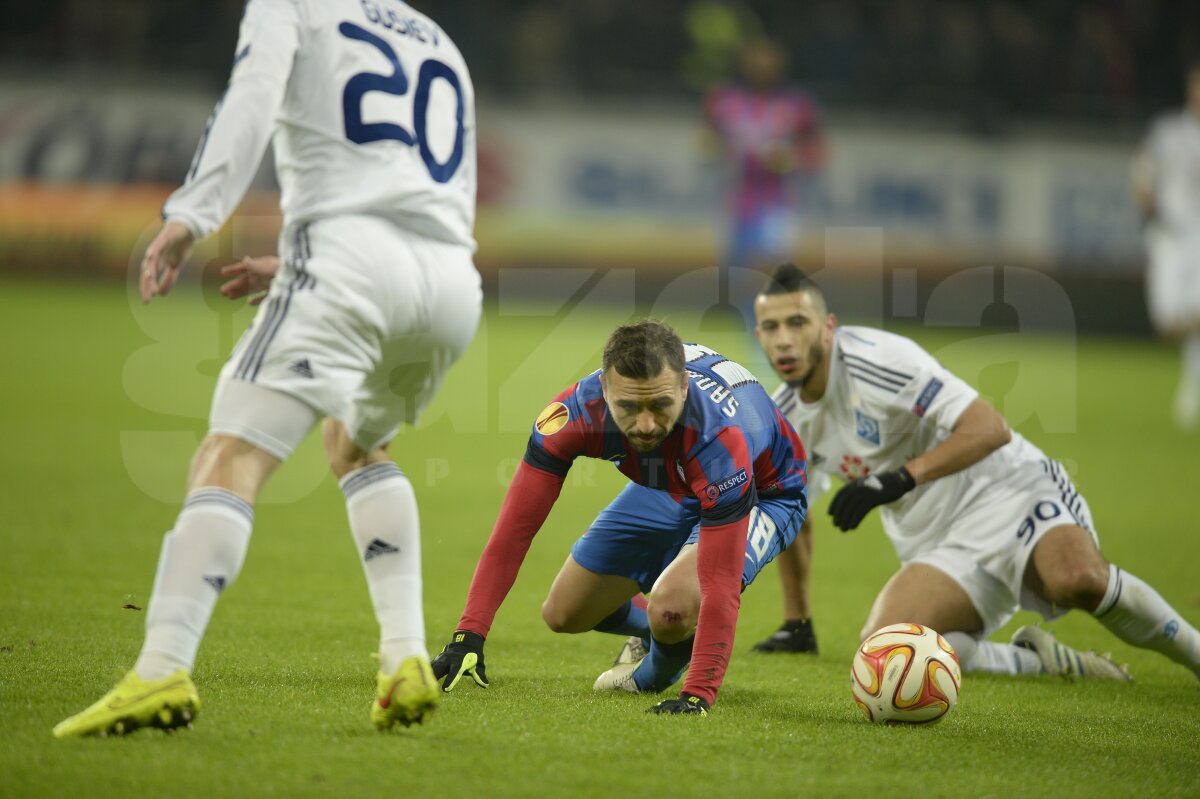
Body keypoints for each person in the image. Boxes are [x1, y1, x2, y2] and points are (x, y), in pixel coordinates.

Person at [54, 0, 481, 737]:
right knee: (356, 444)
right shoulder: (436, 40)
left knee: (232, 452)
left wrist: (193, 212)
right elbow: (419, 197)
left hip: (348, 260)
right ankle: (406, 656)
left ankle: (160, 668)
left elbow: (249, 98)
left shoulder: (292, 6)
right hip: (448, 285)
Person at [753, 263, 1200, 681]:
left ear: (828, 327)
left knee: (1077, 580)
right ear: (759, 335)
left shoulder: (878, 361)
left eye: (798, 323)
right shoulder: (784, 419)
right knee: (885, 651)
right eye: (771, 328)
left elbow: (990, 428)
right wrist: (797, 621)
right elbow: (793, 510)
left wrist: (899, 479)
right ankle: (1034, 661)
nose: (784, 340)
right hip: (937, 542)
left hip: (1006, 489)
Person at [428, 320, 809, 716]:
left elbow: (721, 584)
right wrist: (468, 634)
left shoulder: (719, 438)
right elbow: (514, 531)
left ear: (684, 389)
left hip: (763, 493)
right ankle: (658, 631)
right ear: (605, 391)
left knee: (673, 607)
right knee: (564, 613)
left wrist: (697, 695)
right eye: (628, 407)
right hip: (673, 483)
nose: (645, 425)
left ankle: (651, 672)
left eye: (660, 405)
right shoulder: (573, 413)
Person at [704, 36, 824, 274]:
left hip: (778, 203)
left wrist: (789, 160)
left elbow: (817, 152)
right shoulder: (725, 100)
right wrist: (719, 149)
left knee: (769, 268)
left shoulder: (797, 104)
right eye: (755, 60)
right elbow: (706, 141)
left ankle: (774, 309)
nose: (761, 66)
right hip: (737, 199)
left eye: (767, 61)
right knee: (738, 272)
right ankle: (744, 311)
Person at [1130, 59, 1200, 431]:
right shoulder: (1169, 131)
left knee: (1197, 309)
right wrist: (1144, 197)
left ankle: (1191, 389)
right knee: (1169, 320)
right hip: (1168, 236)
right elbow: (1143, 171)